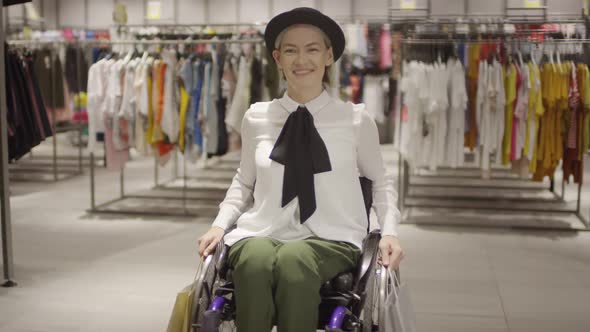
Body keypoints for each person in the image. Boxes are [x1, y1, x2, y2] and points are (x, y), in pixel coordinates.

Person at [197, 7, 404, 332]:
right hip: (264, 230)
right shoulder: (257, 117)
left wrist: (390, 230)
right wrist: (219, 225)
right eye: (291, 51)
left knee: (295, 261)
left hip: (333, 236)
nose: (301, 60)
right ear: (277, 58)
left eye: (312, 49)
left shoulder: (354, 120)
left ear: (328, 56)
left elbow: (380, 182)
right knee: (253, 261)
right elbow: (244, 181)